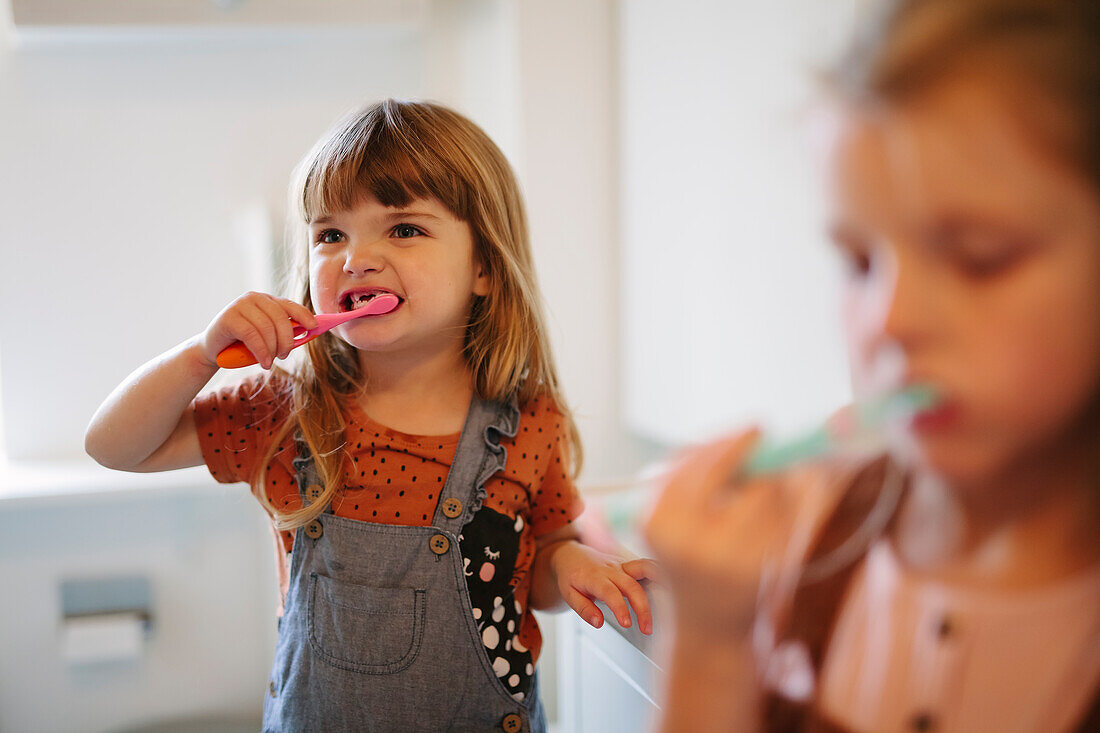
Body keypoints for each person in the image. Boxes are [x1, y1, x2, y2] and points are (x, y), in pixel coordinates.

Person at [86, 99, 655, 732]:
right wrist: (200, 356)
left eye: (403, 228)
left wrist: (570, 567)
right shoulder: (282, 414)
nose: (356, 257)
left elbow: (538, 563)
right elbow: (114, 446)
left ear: (484, 268)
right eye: (331, 234)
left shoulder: (527, 424)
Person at [643, 1, 1100, 731]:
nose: (888, 321)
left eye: (979, 258)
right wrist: (706, 640)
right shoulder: (811, 528)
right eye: (859, 262)